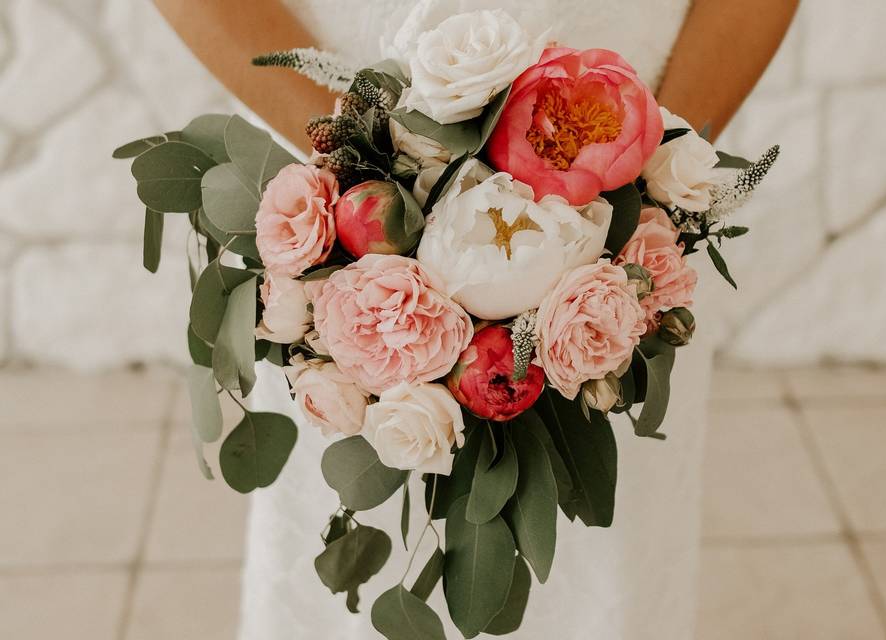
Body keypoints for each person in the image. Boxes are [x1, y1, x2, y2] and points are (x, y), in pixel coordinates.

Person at [153, 1, 798, 638]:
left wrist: (641, 168)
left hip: (626, 176)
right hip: (325, 164)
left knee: (610, 535)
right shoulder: (331, 214)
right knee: (352, 503)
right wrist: (372, 174)